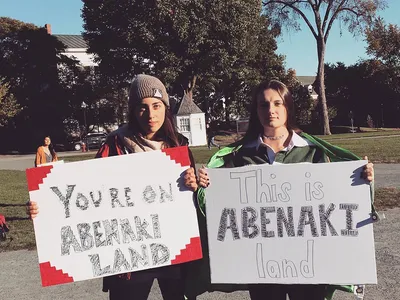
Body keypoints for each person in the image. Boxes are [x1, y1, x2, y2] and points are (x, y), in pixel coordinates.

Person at [196, 79, 375, 300]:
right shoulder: (241, 155)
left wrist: (362, 177)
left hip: (308, 262)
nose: (271, 110)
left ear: (287, 107)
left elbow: (332, 201)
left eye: (277, 103)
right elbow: (223, 200)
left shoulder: (311, 151)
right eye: (263, 105)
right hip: (261, 264)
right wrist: (205, 181)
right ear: (256, 110)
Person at [27, 74, 199, 300]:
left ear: (165, 107)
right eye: (142, 107)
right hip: (128, 256)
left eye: (156, 106)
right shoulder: (115, 145)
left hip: (174, 247)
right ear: (132, 110)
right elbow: (86, 193)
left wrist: (197, 185)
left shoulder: (179, 146)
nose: (150, 114)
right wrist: (45, 206)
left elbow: (196, 199)